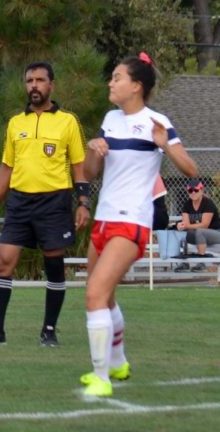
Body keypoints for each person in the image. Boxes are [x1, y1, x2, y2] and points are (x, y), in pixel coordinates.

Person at [79, 52, 197, 397]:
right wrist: (94, 151)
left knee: (94, 295)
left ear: (136, 86)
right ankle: (117, 362)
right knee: (106, 296)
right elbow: (89, 174)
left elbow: (190, 171)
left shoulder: (156, 121)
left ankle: (101, 377)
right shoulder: (110, 119)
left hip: (131, 222)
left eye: (117, 77)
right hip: (103, 220)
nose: (111, 83)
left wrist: (165, 146)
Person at [0, 61, 90, 347]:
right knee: (3, 262)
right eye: (29, 81)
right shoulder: (16, 123)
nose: (34, 86)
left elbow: (78, 166)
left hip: (54, 202)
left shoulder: (67, 121)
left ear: (51, 85)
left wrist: (83, 201)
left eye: (39, 80)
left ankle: (49, 331)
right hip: (20, 203)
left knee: (54, 265)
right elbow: (6, 167)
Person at [177, 178, 220, 260]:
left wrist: (186, 225)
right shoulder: (187, 204)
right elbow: (186, 224)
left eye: (196, 190)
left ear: (201, 191)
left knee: (200, 231)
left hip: (216, 233)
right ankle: (184, 262)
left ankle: (201, 262)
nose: (193, 192)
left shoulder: (208, 203)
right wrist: (180, 225)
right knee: (183, 234)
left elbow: (204, 225)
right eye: (190, 190)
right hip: (199, 235)